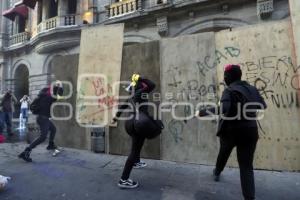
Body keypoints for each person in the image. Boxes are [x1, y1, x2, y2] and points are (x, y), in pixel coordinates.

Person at [197, 64, 267, 200]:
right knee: (246, 166)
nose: (224, 78)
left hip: (231, 131)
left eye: (225, 76)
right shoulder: (252, 89)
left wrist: (202, 112)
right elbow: (262, 105)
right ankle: (249, 197)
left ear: (228, 77)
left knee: (224, 152)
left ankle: (217, 172)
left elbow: (223, 109)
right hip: (250, 130)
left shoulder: (229, 91)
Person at [112, 74, 155, 189]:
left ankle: (136, 161)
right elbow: (152, 84)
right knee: (135, 150)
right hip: (138, 123)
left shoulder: (131, 96)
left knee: (137, 144)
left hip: (130, 124)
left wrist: (115, 118)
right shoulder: (142, 92)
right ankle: (124, 179)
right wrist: (141, 78)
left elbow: (121, 108)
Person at [18, 81, 63, 162]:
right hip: (43, 119)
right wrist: (61, 87)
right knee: (42, 137)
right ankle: (26, 151)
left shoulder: (41, 96)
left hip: (41, 118)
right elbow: (59, 96)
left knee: (53, 129)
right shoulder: (48, 98)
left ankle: (51, 144)